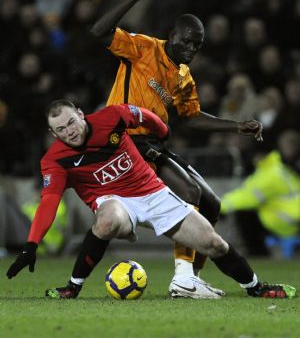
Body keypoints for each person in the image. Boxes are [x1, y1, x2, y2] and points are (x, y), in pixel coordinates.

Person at [6, 100, 296, 301]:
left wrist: (163, 133)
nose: (69, 131)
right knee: (107, 221)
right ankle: (72, 287)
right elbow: (49, 202)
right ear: (52, 134)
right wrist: (31, 245)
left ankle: (256, 288)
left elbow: (146, 118)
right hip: (113, 200)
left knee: (213, 243)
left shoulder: (112, 117)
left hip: (153, 193)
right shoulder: (54, 159)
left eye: (71, 122)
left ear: (81, 114)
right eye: (61, 129)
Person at [88, 0, 263, 299]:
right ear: (172, 35)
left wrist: (236, 125)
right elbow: (99, 31)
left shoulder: (183, 76)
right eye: (187, 41)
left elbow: (192, 117)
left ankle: (191, 277)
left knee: (212, 203)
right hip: (124, 141)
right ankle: (182, 278)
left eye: (198, 44)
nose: (192, 48)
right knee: (189, 192)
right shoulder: (143, 48)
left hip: (152, 144)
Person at [221, 129, 300, 256]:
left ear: (261, 156)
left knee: (244, 213)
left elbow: (248, 198)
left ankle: (258, 253)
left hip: (288, 221)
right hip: (292, 216)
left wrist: (219, 206)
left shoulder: (270, 173)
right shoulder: (277, 168)